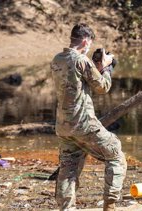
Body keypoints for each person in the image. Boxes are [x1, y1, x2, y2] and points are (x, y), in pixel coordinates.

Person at [50, 23, 127, 211]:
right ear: (85, 41)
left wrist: (97, 67)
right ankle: (110, 205)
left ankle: (66, 209)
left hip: (63, 126)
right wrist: (107, 67)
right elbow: (102, 87)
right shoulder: (81, 61)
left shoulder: (57, 59)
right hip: (83, 124)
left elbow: (75, 82)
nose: (89, 48)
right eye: (89, 44)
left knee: (68, 170)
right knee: (116, 154)